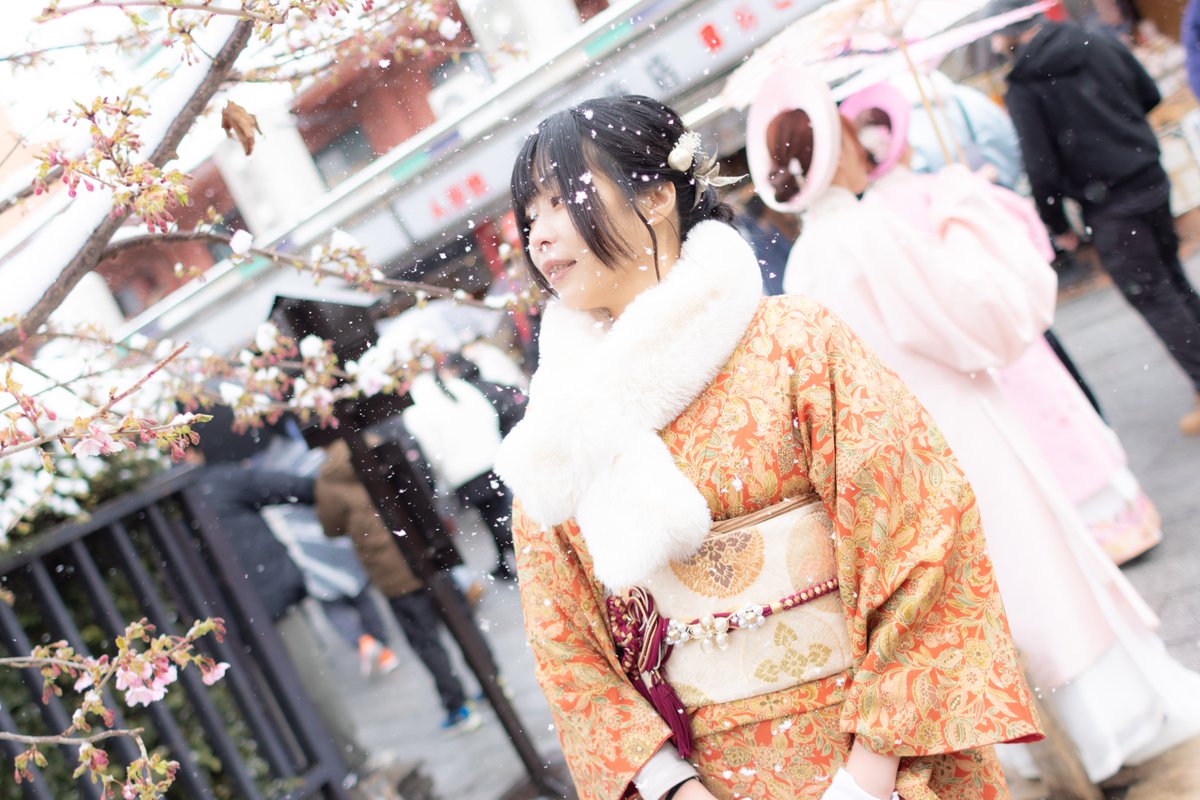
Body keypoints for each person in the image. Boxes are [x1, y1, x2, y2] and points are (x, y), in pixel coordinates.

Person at [496, 93, 1042, 800]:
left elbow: (923, 541)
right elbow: (565, 645)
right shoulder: (555, 424)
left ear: (657, 195)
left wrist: (867, 776)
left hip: (874, 748)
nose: (538, 236)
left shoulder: (796, 342)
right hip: (708, 776)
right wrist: (673, 788)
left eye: (558, 201)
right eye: (529, 215)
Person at [766, 67, 1200, 785]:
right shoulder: (866, 233)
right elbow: (986, 320)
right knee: (1039, 580)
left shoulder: (806, 262)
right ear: (837, 149)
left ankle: (1043, 743)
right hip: (964, 436)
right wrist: (968, 208)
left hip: (910, 463)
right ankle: (1108, 732)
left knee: (995, 599)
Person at [843, 81, 1162, 565]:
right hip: (1001, 324)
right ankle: (1115, 519)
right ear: (903, 143)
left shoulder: (869, 222)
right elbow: (1021, 241)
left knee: (1024, 435)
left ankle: (1073, 543)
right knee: (1054, 412)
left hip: (958, 350)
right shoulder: (941, 189)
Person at [989, 0, 1200, 435]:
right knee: (1173, 281)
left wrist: (1057, 225)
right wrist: (1122, 132)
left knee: (1157, 295)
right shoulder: (1099, 40)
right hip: (1149, 178)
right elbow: (1150, 93)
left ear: (1010, 30)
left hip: (1109, 206)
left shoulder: (1025, 83)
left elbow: (1040, 166)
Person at [314, 440, 485, 733]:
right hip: (426, 555)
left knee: (426, 643)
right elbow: (421, 481)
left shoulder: (328, 479)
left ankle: (458, 707)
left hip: (392, 575)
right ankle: (492, 682)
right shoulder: (379, 447)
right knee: (463, 623)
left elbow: (331, 527)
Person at [402, 369, 515, 580]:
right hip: (490, 459)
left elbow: (431, 451)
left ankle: (516, 557)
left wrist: (441, 474)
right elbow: (487, 413)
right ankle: (508, 559)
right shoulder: (457, 387)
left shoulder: (417, 410)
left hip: (464, 473)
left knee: (493, 517)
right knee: (499, 513)